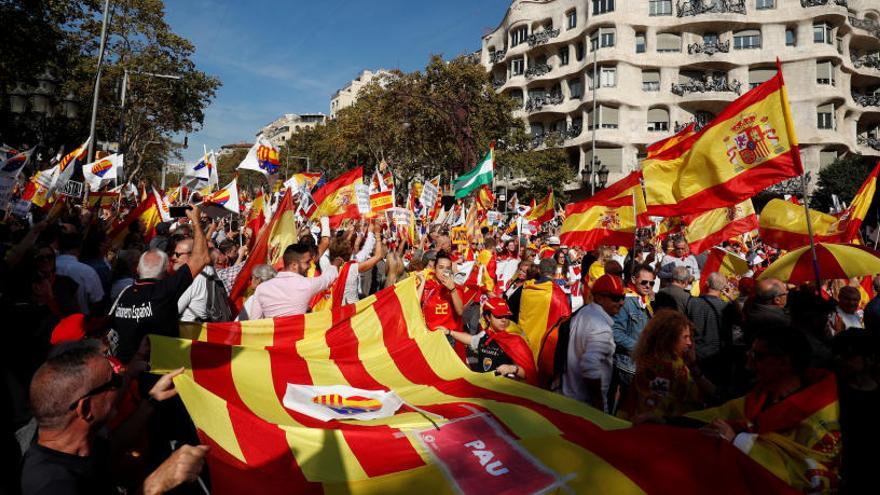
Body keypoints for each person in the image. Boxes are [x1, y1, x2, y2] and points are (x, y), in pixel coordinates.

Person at [20, 340, 210, 495]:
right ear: (85, 408)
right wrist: (155, 484)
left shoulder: (78, 444)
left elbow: (114, 443)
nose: (122, 384)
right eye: (115, 381)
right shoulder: (52, 486)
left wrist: (151, 400)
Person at [687, 328, 841, 493]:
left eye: (757, 357)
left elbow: (809, 472)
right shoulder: (756, 398)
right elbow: (716, 414)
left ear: (784, 362)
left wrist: (738, 441)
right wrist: (665, 422)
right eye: (750, 354)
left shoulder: (822, 413)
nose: (748, 364)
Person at [111, 206, 209, 363]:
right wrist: (196, 222)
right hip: (157, 371)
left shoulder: (125, 294)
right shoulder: (165, 290)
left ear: (137, 268)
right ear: (166, 269)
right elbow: (202, 258)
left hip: (125, 372)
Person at [617, 310, 711, 421]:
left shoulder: (671, 362)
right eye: (685, 337)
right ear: (668, 339)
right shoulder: (662, 368)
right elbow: (655, 408)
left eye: (689, 337)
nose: (689, 342)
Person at [564, 274, 625, 412]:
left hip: (569, 399)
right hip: (586, 407)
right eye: (615, 298)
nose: (621, 303)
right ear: (599, 298)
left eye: (622, 297)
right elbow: (590, 365)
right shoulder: (601, 327)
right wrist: (599, 405)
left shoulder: (583, 313)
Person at [446, 297, 537, 384]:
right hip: (485, 387)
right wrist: (450, 332)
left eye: (506, 316)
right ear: (488, 317)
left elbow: (528, 373)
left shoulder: (515, 339)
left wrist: (513, 369)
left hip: (504, 391)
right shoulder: (486, 334)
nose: (504, 320)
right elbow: (471, 340)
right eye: (498, 316)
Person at [831, 329, 879, 493]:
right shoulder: (830, 391)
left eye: (848, 355)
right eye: (838, 354)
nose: (839, 359)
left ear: (870, 359)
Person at [249, 241, 341, 318]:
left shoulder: (261, 288)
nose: (310, 266)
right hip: (298, 339)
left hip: (272, 339)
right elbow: (327, 279)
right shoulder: (306, 285)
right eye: (307, 262)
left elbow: (255, 322)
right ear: (294, 265)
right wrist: (336, 263)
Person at [609, 263, 655, 413]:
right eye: (644, 282)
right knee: (624, 408)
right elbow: (615, 333)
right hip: (627, 366)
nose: (648, 286)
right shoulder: (627, 301)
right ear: (634, 279)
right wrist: (640, 347)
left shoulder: (645, 301)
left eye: (651, 283)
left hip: (639, 365)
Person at [685, 272, 740, 393]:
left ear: (707, 283)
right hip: (719, 358)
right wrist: (732, 298)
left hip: (698, 355)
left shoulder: (692, 302)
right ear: (724, 288)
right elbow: (742, 319)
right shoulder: (728, 307)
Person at [176, 242, 230, 323]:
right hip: (205, 325)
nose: (174, 258)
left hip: (189, 327)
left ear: (191, 255)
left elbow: (176, 308)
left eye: (177, 254)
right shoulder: (209, 270)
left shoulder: (196, 276)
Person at [55, 232, 105, 315]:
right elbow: (97, 302)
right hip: (80, 320)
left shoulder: (49, 267)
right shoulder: (87, 271)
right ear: (79, 248)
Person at [419, 251, 465, 333]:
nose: (444, 271)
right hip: (428, 335)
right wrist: (422, 283)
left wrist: (452, 290)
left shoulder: (456, 288)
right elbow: (414, 305)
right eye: (441, 267)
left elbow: (460, 312)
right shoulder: (426, 286)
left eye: (447, 268)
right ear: (434, 268)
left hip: (447, 336)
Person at [743, 278, 791, 342]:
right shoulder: (780, 321)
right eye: (786, 292)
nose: (788, 293)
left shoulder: (751, 306)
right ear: (777, 300)